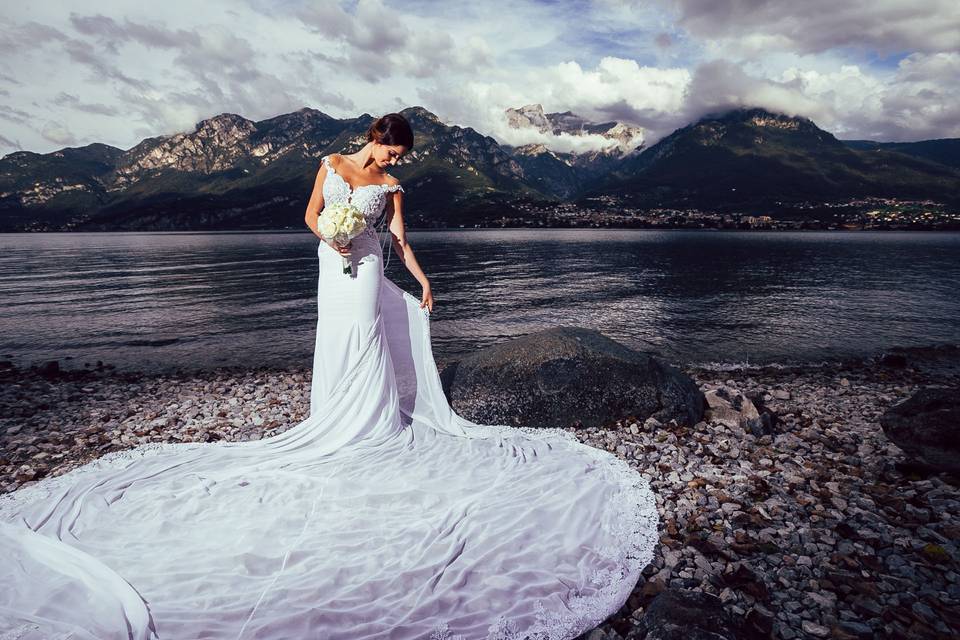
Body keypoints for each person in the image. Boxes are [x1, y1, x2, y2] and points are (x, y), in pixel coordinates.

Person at [0, 113, 660, 640]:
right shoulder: (330, 164)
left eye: (400, 161)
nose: (398, 164)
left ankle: (370, 425)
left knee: (370, 336)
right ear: (379, 140)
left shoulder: (392, 190)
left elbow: (399, 241)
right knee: (339, 340)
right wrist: (331, 237)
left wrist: (423, 279)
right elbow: (313, 214)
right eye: (396, 154)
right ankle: (333, 420)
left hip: (368, 266)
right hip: (330, 267)